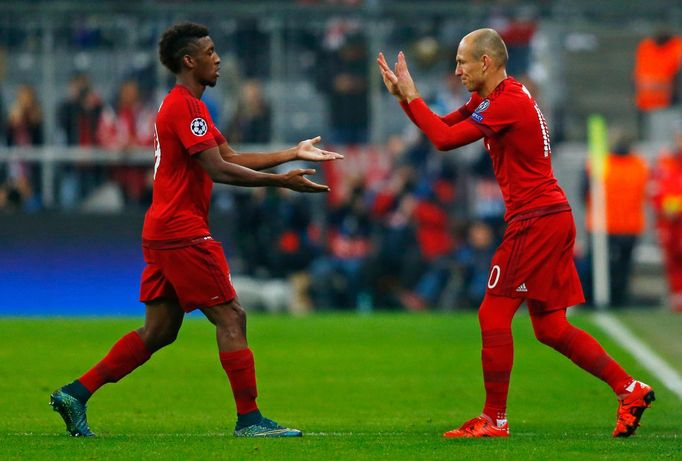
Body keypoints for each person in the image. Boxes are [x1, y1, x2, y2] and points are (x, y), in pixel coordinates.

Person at [50, 22, 342, 438]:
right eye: (209, 51)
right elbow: (219, 169)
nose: (217, 58)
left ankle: (75, 394)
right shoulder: (183, 106)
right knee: (232, 316)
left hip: (163, 228)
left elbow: (228, 155)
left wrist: (290, 153)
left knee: (159, 331)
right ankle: (250, 420)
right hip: (181, 230)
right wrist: (282, 182)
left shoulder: (189, 107)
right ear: (189, 61)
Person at [378, 28, 655, 438]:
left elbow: (444, 139)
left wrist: (412, 96)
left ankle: (494, 419)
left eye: (462, 62)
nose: (456, 71)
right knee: (551, 328)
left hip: (536, 219)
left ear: (485, 62)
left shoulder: (506, 102)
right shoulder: (499, 98)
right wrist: (405, 98)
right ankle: (629, 389)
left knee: (492, 313)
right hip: (552, 215)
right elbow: (440, 126)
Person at [582, 131, 649, 307]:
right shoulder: (637, 165)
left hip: (619, 225)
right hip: (610, 224)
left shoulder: (635, 165)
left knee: (614, 267)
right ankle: (604, 299)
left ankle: (612, 300)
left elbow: (585, 192)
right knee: (605, 267)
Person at [651, 123, 682, 312]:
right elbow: (657, 191)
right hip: (669, 223)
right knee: (672, 260)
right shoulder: (665, 163)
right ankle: (677, 297)